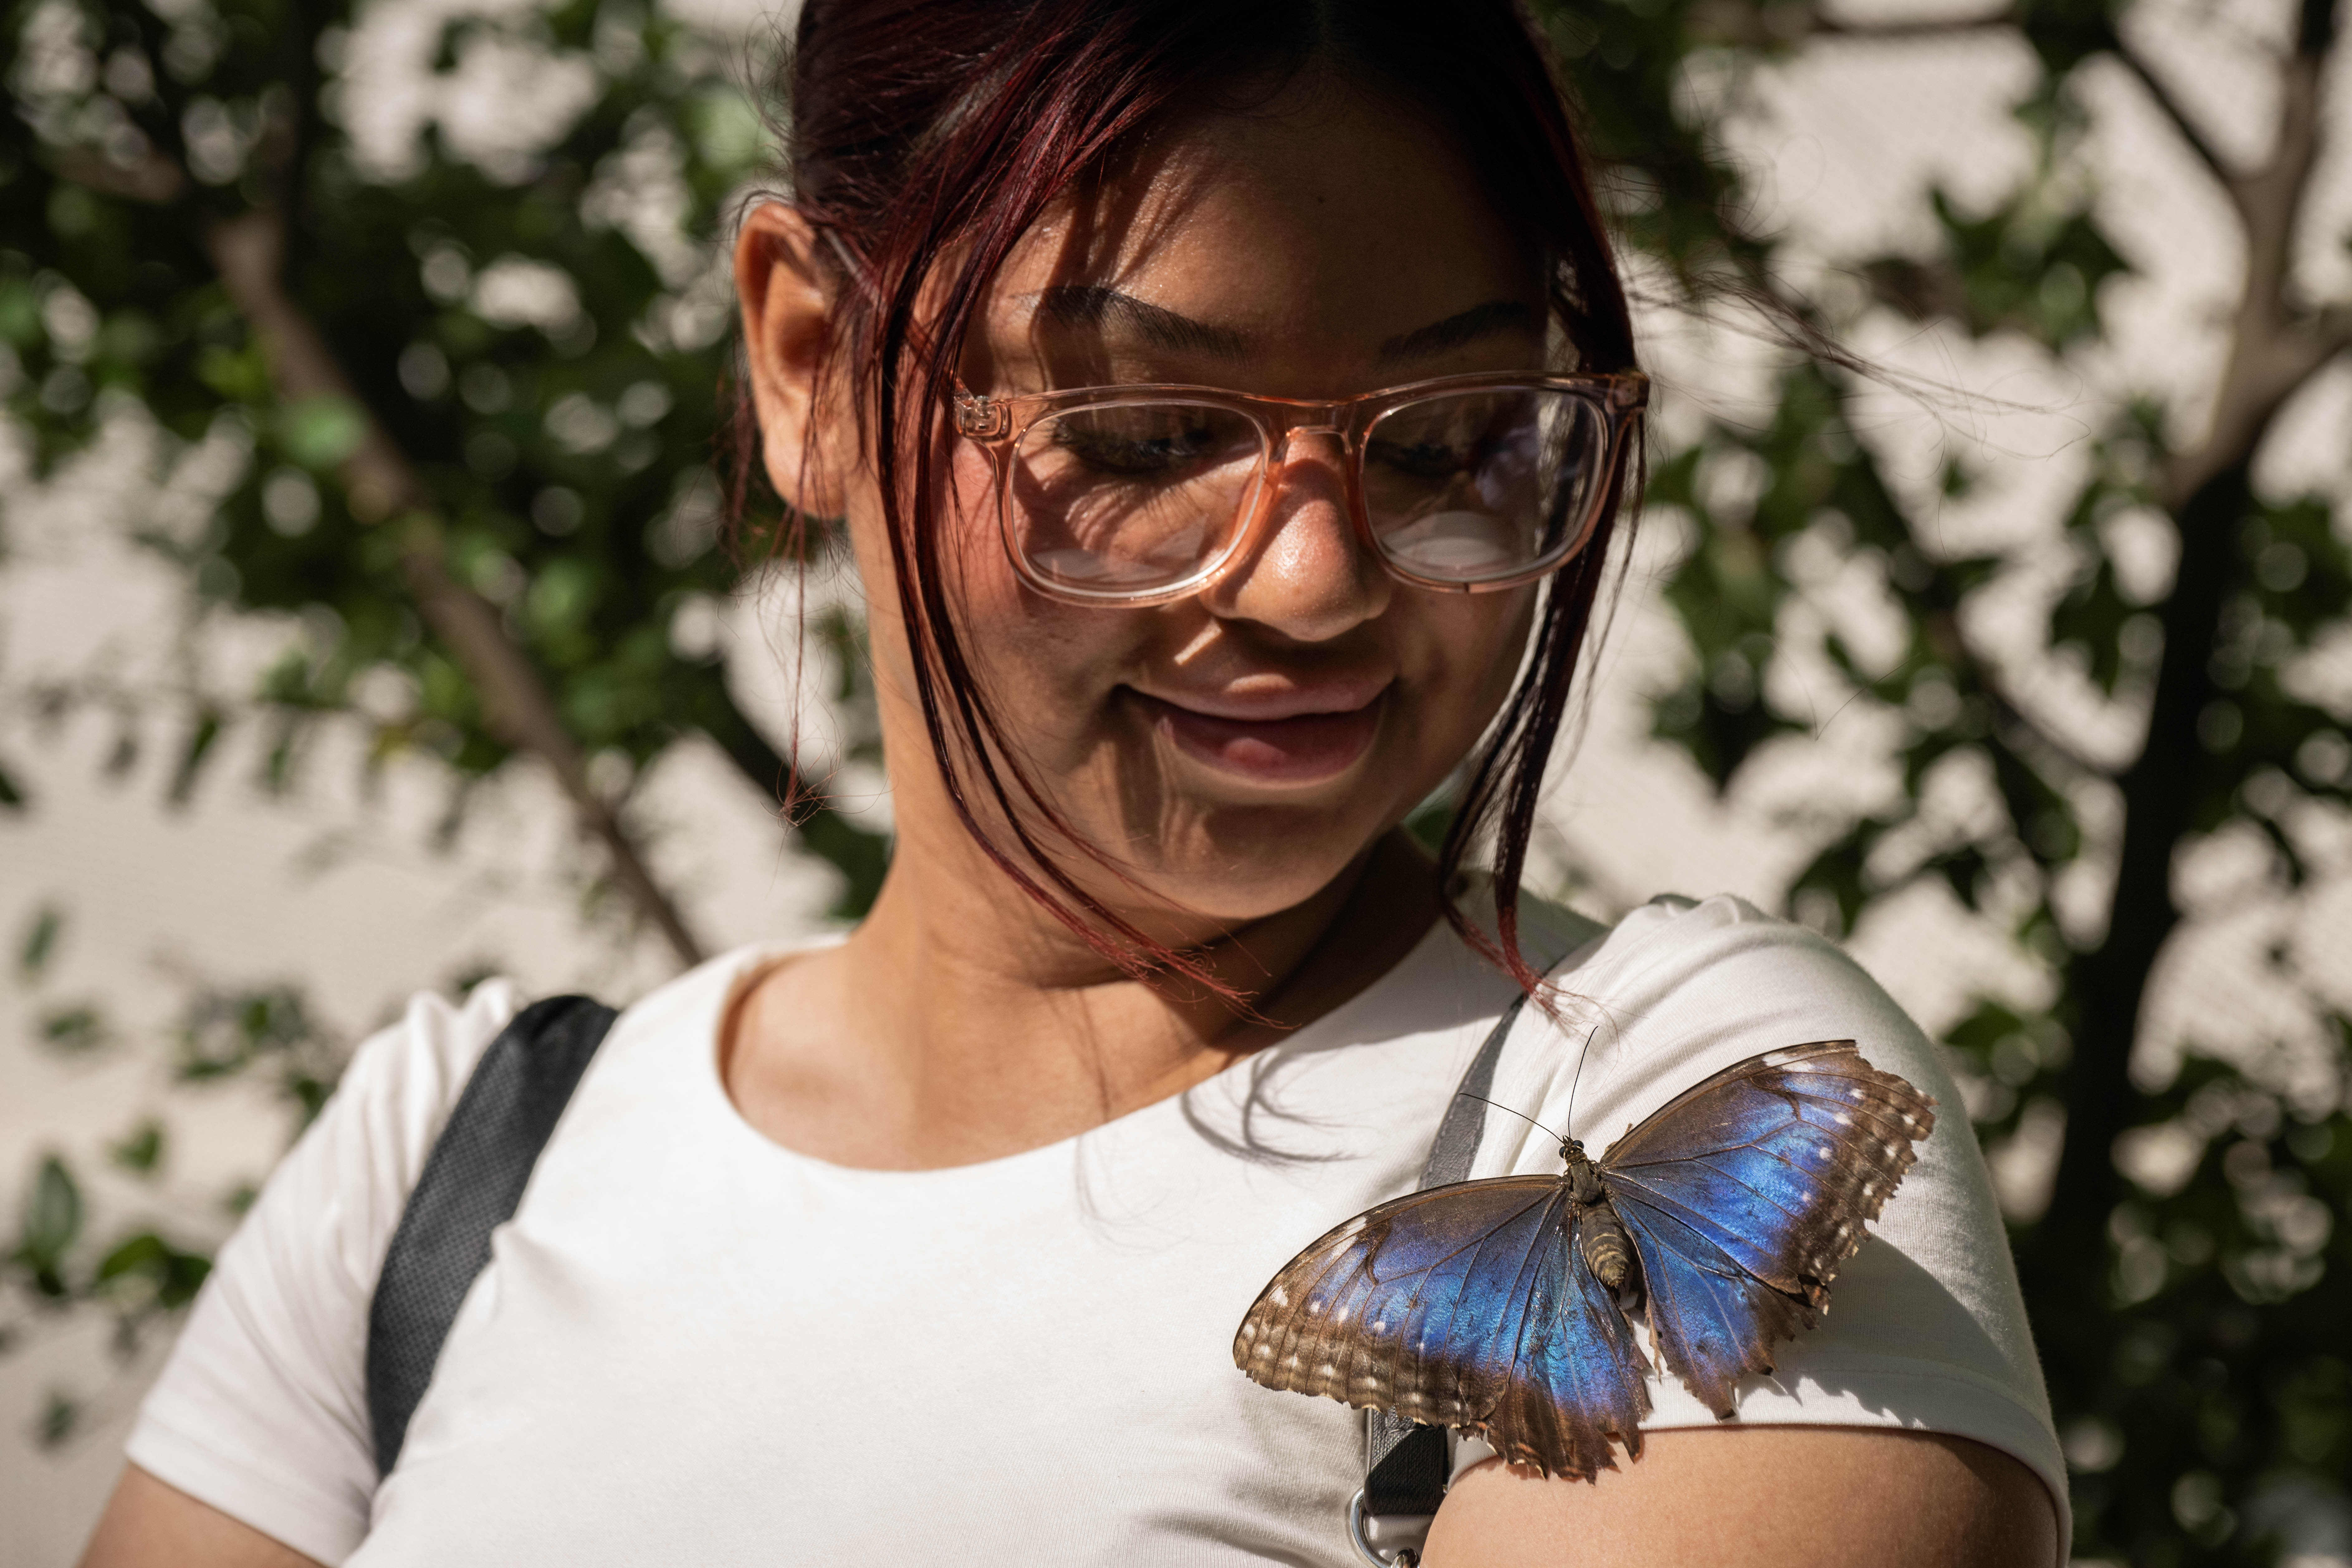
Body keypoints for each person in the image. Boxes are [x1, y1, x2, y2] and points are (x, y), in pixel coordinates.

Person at [80, 1, 2066, 1563]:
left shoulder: (1655, 1088)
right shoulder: (451, 1162)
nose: (1313, 577)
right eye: (1144, 433)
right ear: (806, 363)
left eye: (1451, 436)